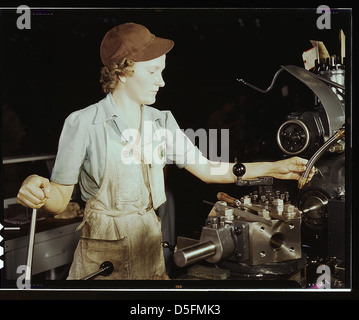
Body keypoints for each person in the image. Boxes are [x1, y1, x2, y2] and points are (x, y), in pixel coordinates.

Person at [17, 22, 315, 280]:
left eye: (162, 71)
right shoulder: (84, 122)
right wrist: (36, 186)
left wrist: (274, 167)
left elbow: (209, 170)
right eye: (153, 71)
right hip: (101, 257)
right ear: (123, 71)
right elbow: (58, 199)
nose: (162, 81)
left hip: (149, 246)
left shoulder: (162, 122)